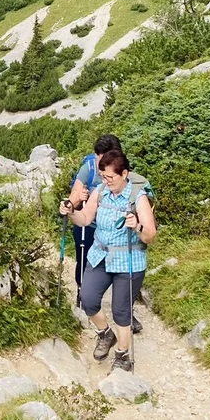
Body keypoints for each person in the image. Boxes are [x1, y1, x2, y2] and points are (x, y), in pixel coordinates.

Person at [60, 149, 156, 372]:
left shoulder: (137, 198)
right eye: (103, 176)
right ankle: (105, 334)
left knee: (121, 310)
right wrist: (71, 210)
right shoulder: (100, 192)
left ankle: (122, 356)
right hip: (100, 254)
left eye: (110, 177)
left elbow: (150, 235)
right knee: (88, 298)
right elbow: (85, 219)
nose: (106, 181)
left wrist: (137, 226)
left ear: (124, 173)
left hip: (128, 260)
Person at [66, 134, 144, 333]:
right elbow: (73, 199)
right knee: (85, 259)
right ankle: (83, 294)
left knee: (121, 275)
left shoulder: (121, 171)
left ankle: (125, 312)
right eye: (99, 156)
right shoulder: (89, 168)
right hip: (90, 226)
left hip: (118, 234)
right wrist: (76, 202)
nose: (102, 162)